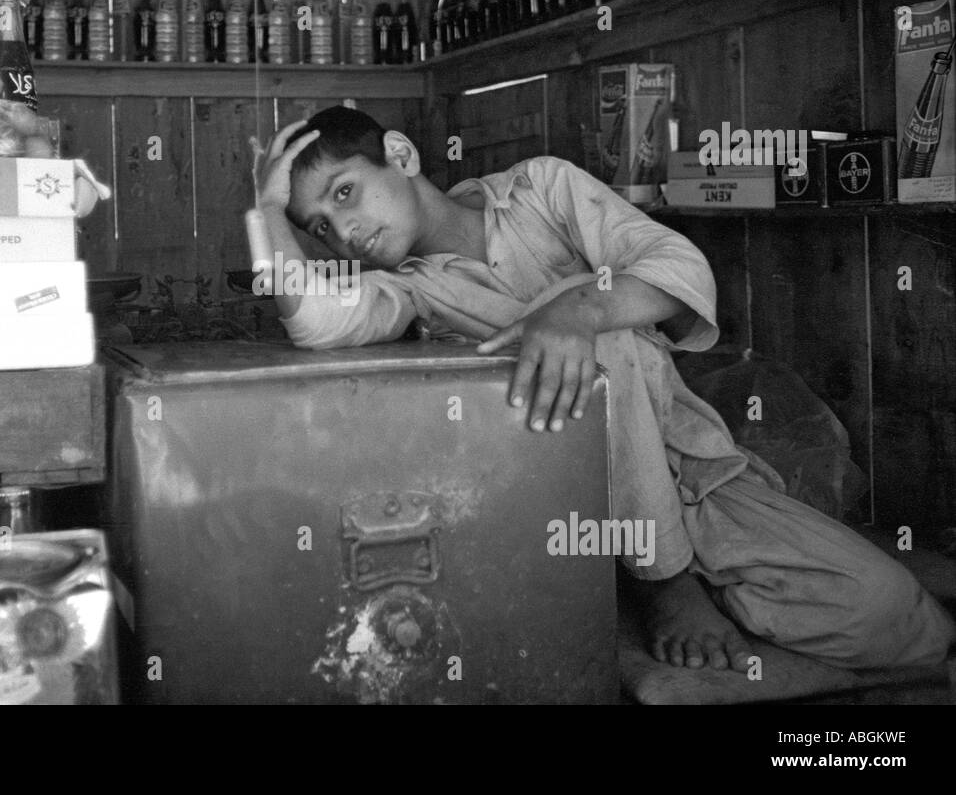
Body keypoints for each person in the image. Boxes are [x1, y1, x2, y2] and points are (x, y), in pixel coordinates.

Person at [252, 105, 955, 671]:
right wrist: (266, 208)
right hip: (555, 510)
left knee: (900, 622)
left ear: (400, 158)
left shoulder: (541, 190)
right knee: (601, 335)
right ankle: (666, 585)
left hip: (686, 474)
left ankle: (701, 574)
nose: (344, 232)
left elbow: (682, 266)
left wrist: (575, 309)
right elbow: (316, 322)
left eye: (345, 193)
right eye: (319, 226)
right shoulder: (409, 294)